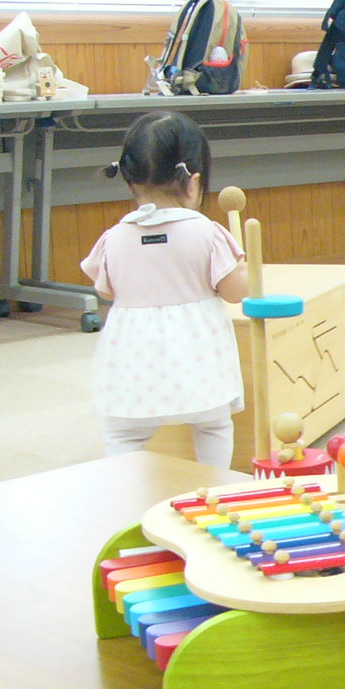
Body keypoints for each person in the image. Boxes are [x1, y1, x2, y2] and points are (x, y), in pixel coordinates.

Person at [80, 112, 248, 468]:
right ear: (193, 183)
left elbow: (106, 291)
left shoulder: (114, 238)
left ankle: (124, 492)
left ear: (128, 182)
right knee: (213, 424)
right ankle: (213, 485)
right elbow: (235, 292)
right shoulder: (207, 231)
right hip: (198, 353)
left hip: (133, 358)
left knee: (122, 434)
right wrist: (245, 267)